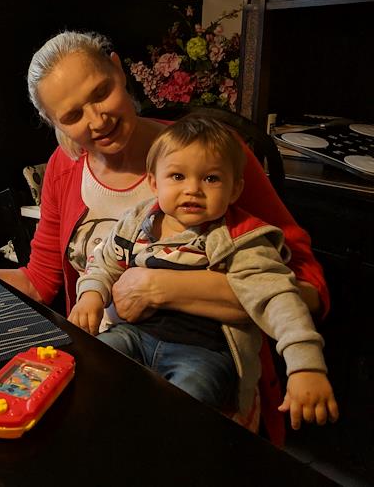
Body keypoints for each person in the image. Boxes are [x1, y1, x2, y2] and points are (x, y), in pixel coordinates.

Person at [0, 30, 330, 443]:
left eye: (101, 92)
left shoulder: (209, 157)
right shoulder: (64, 168)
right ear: (54, 123)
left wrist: (158, 287)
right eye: (72, 115)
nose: (97, 119)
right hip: (112, 368)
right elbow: (38, 283)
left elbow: (306, 283)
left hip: (207, 373)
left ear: (118, 69)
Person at [74, 114, 338, 429]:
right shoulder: (136, 222)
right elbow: (104, 261)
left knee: (182, 410)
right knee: (88, 367)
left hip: (202, 354)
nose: (193, 189)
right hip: (134, 335)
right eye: (177, 176)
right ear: (154, 182)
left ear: (235, 189)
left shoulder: (242, 239)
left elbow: (279, 299)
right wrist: (91, 294)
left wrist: (305, 366)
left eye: (211, 179)